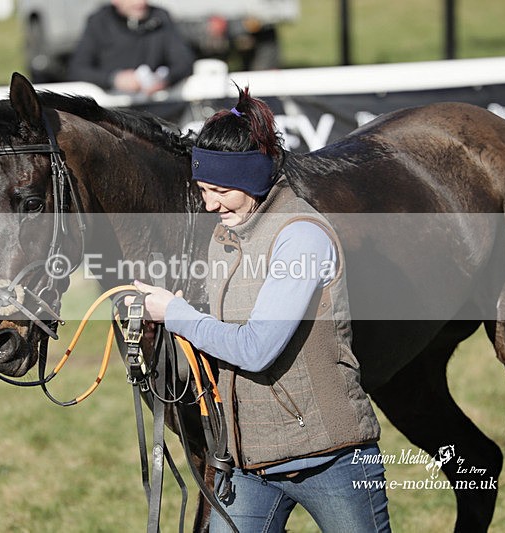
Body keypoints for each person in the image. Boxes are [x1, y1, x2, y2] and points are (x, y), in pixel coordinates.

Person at [130, 87, 391, 532]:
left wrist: (176, 313)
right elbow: (219, 343)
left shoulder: (302, 236)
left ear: (252, 179)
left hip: (329, 457)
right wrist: (161, 332)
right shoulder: (224, 237)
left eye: (219, 190)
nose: (209, 204)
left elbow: (255, 349)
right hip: (248, 463)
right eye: (202, 190)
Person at [67, 0, 195, 96]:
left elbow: (184, 61)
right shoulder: (99, 21)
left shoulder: (160, 17)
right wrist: (114, 79)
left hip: (158, 109)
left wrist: (165, 79)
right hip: (114, 113)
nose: (140, 2)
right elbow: (77, 69)